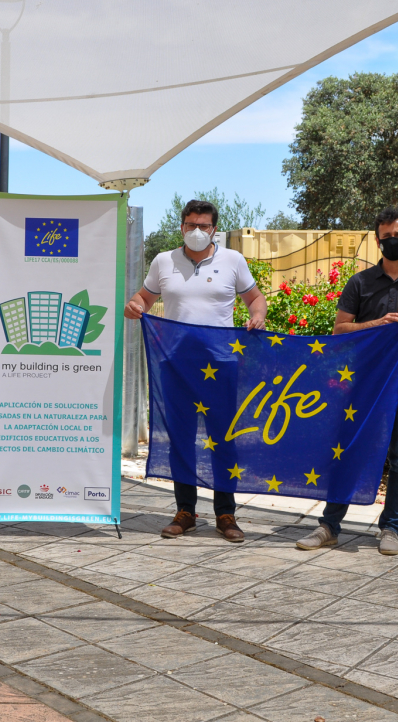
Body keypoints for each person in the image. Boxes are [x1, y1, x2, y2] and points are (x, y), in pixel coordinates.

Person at [296, 208, 398, 555]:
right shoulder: (359, 282)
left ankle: (391, 528)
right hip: (363, 383)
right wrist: (374, 325)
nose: (394, 240)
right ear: (378, 241)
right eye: (387, 235)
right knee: (350, 450)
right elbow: (339, 331)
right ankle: (329, 525)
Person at [125, 199, 268, 543]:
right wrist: (134, 305)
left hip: (220, 365)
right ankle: (185, 511)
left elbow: (255, 300)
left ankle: (226, 514)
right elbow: (142, 298)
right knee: (181, 440)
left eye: (204, 226)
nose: (198, 231)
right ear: (182, 227)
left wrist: (259, 315)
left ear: (214, 229)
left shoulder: (233, 260)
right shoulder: (164, 261)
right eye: (191, 225)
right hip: (176, 364)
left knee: (223, 440)